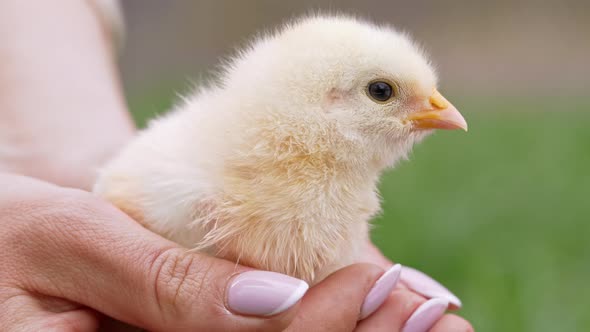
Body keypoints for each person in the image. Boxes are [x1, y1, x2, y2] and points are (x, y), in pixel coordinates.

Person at [0, 1, 473, 331]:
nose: (440, 109)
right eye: (382, 93)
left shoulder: (330, 197)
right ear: (325, 102)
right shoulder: (183, 186)